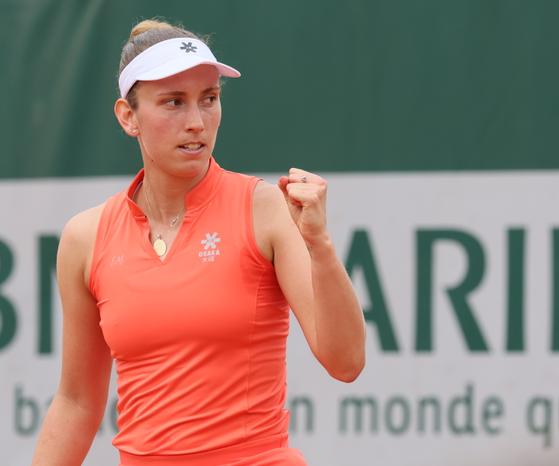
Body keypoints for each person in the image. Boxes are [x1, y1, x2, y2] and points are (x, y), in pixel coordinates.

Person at [31, 19, 365, 466]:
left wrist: (320, 245)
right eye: (173, 103)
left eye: (209, 99)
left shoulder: (264, 209)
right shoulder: (84, 238)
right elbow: (76, 404)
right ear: (128, 116)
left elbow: (345, 362)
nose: (196, 122)